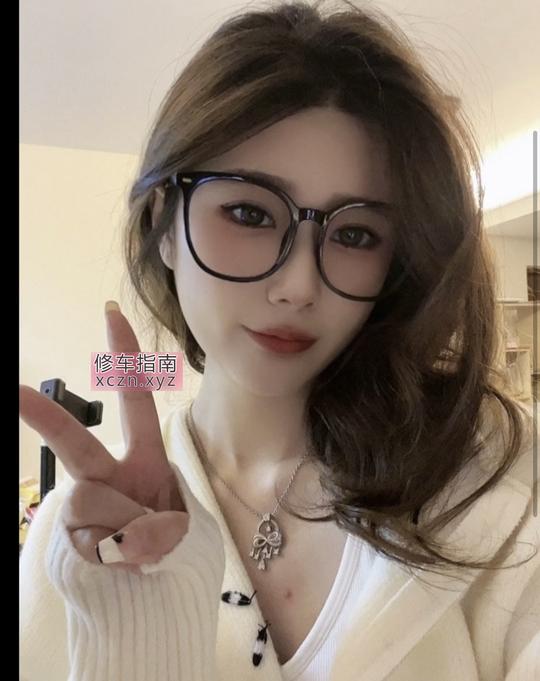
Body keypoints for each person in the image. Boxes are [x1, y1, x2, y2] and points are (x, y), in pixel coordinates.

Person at [19, 1, 539, 680]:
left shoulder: (496, 478)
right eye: (248, 212)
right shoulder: (81, 538)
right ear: (165, 226)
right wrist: (138, 640)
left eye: (355, 233)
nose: (299, 285)